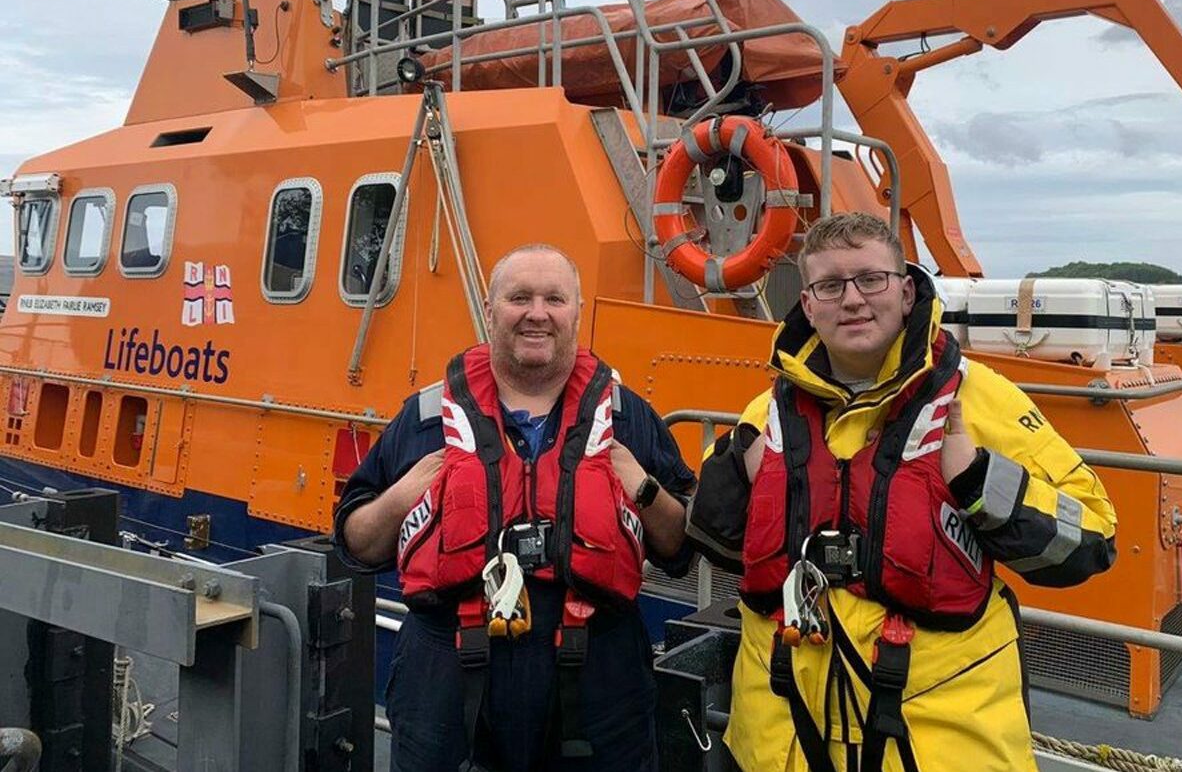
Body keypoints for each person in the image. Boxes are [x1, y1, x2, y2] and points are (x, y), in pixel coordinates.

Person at [687, 214, 1118, 771]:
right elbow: (709, 538)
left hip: (939, 740)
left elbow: (1093, 534)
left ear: (907, 290)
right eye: (830, 286)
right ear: (809, 305)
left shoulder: (980, 399)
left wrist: (980, 481)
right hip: (781, 737)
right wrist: (739, 473)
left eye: (872, 279)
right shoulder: (768, 413)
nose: (853, 300)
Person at [334, 244, 695, 772]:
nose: (537, 313)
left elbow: (680, 545)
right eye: (519, 297)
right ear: (489, 309)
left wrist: (642, 489)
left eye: (555, 299)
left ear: (576, 313)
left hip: (599, 669)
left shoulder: (627, 418)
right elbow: (356, 543)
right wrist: (402, 493)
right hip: (446, 670)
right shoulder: (427, 417)